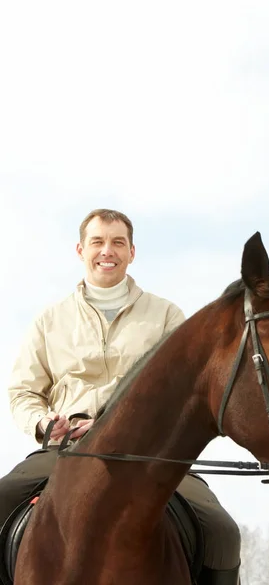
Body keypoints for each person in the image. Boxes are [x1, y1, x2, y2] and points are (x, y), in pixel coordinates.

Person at [0, 209, 241, 584]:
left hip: (150, 457)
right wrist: (44, 422)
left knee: (223, 532)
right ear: (81, 250)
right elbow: (23, 392)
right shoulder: (49, 321)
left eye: (117, 242)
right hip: (64, 452)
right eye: (97, 242)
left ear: (132, 252)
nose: (106, 251)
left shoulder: (166, 316)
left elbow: (185, 395)